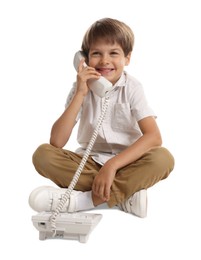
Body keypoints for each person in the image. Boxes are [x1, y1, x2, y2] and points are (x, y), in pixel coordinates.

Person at [29, 18, 174, 218]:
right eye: (96, 53)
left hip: (127, 163)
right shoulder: (80, 88)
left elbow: (154, 137)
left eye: (113, 53)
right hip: (89, 163)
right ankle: (124, 195)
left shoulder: (133, 88)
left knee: (162, 158)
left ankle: (83, 201)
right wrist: (80, 93)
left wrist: (112, 166)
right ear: (84, 59)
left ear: (127, 58)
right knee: (42, 155)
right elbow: (57, 141)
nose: (105, 61)